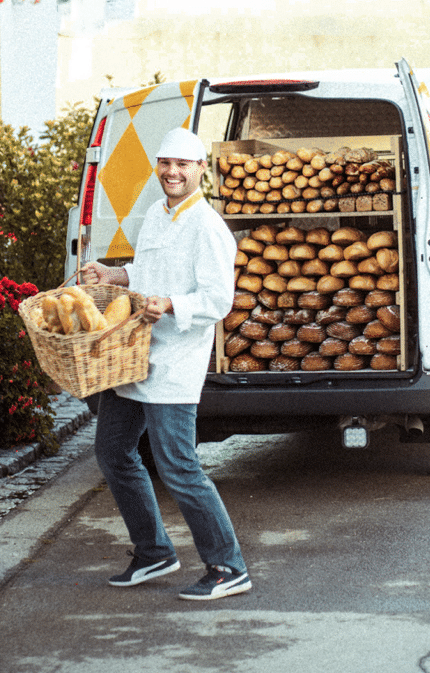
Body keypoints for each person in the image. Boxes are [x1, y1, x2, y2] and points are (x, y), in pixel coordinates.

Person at [81, 127, 250, 601]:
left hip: (174, 363)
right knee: (113, 451)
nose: (172, 172)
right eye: (165, 163)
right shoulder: (156, 214)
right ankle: (154, 551)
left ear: (201, 170)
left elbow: (218, 300)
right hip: (134, 357)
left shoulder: (209, 228)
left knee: (178, 466)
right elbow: (147, 271)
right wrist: (115, 274)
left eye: (183, 164)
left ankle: (228, 566)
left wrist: (171, 305)